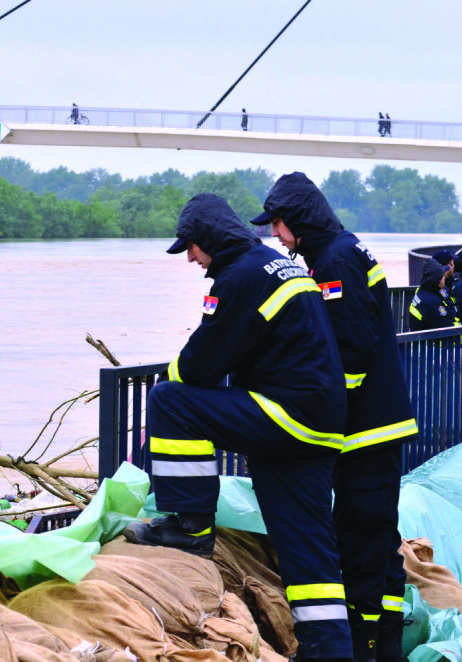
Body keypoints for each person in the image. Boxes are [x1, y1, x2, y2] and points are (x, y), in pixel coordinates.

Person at [123, 193, 353, 662]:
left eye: (191, 247)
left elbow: (200, 366)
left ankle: (190, 527)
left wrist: (168, 384)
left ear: (208, 238)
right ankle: (328, 652)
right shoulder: (275, 266)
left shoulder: (240, 276)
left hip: (288, 415)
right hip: (320, 423)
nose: (190, 258)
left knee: (169, 399)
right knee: (305, 546)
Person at [251, 172, 418, 662]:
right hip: (380, 426)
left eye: (278, 224)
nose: (275, 235)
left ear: (300, 219)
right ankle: (387, 646)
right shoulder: (345, 249)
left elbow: (350, 350)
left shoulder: (335, 260)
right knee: (380, 544)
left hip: (365, 431)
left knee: (359, 545)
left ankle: (361, 650)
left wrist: (320, 409)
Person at [409, 258, 457, 330]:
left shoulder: (425, 289)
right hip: (428, 337)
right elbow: (448, 329)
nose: (445, 278)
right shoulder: (431, 303)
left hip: (423, 334)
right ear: (437, 280)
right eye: (443, 276)